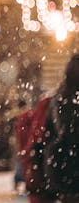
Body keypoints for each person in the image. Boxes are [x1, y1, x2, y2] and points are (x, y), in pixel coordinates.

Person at [43, 54, 79, 203]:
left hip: (64, 174)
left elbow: (50, 133)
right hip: (68, 171)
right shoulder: (63, 99)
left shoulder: (59, 98)